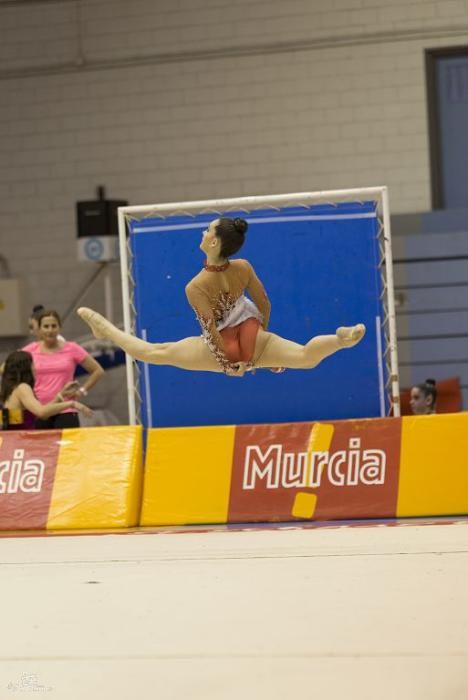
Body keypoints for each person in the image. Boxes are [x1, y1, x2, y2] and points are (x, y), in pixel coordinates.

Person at [77, 217, 366, 376]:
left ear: (213, 242)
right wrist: (257, 341)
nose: (203, 232)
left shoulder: (196, 286)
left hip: (223, 347)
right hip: (254, 333)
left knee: (155, 353)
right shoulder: (243, 267)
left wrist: (230, 366)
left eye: (207, 230)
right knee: (304, 356)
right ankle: (340, 339)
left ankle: (105, 330)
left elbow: (210, 330)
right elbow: (264, 302)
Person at [22, 309, 104, 428]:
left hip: (66, 409)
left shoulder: (72, 348)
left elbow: (98, 371)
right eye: (46, 326)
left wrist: (81, 391)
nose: (50, 330)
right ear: (39, 329)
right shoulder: (30, 350)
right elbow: (9, 368)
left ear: (59, 328)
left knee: (68, 447)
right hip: (41, 410)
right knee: (43, 447)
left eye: (54, 326)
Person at [0, 350, 92, 430]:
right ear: (26, 367)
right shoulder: (22, 388)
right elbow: (42, 413)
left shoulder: (11, 389)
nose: (35, 367)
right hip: (21, 443)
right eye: (32, 363)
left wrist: (61, 395)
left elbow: (38, 413)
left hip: (12, 441)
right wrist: (72, 404)